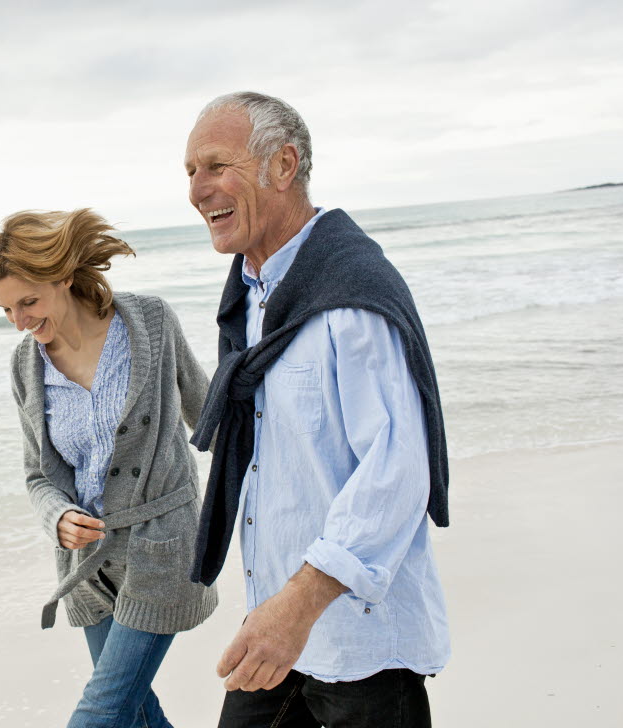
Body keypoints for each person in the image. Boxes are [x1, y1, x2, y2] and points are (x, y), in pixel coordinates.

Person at [183, 92, 451, 727]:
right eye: (190, 171)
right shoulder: (251, 296)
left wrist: (297, 607)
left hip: (359, 643)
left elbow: (396, 473)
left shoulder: (350, 294)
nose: (198, 190)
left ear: (282, 165)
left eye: (216, 165)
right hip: (275, 627)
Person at [0, 208, 218, 728]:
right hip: (88, 566)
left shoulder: (150, 324)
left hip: (160, 548)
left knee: (101, 713)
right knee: (138, 714)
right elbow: (38, 475)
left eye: (28, 302)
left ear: (63, 276)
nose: (20, 321)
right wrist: (57, 515)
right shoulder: (25, 365)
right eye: (6, 310)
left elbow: (209, 413)